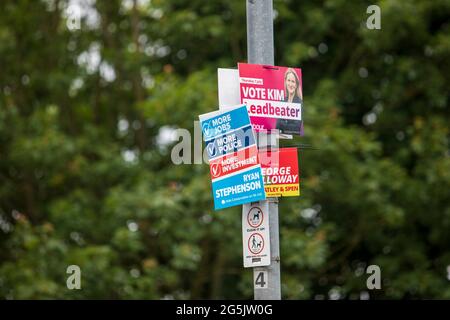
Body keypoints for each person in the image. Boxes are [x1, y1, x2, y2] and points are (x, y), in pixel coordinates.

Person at [276, 68, 303, 134]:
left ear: (296, 84)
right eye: (289, 80)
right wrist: (287, 125)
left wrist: (283, 124)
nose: (290, 84)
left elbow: (297, 127)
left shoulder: (299, 103)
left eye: (293, 81)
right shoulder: (282, 102)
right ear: (285, 82)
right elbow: (277, 125)